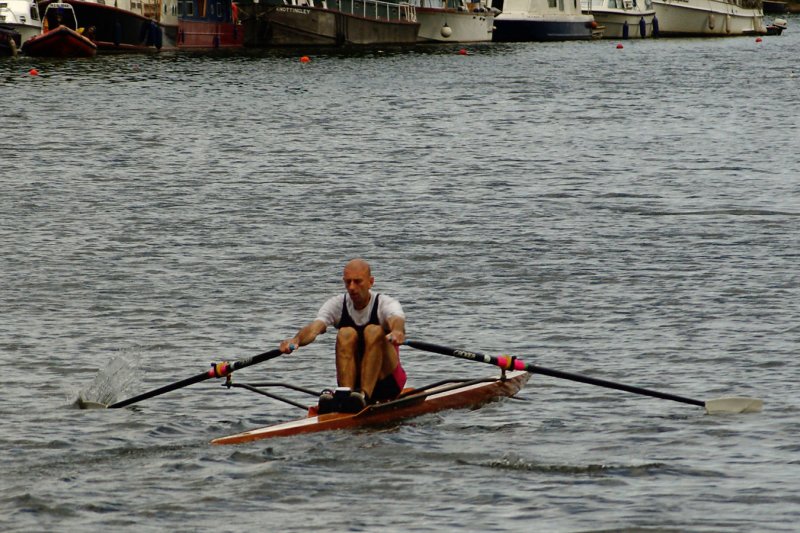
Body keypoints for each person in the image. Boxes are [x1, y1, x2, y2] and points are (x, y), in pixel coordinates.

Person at [279, 258, 407, 412]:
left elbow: (397, 320)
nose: (352, 287)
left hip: (387, 382)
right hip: (354, 385)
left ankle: (363, 397)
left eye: (358, 281)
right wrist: (296, 339)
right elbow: (314, 328)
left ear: (371, 282)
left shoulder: (385, 303)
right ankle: (347, 396)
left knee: (373, 330)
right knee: (346, 333)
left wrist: (397, 331)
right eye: (348, 282)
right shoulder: (337, 304)